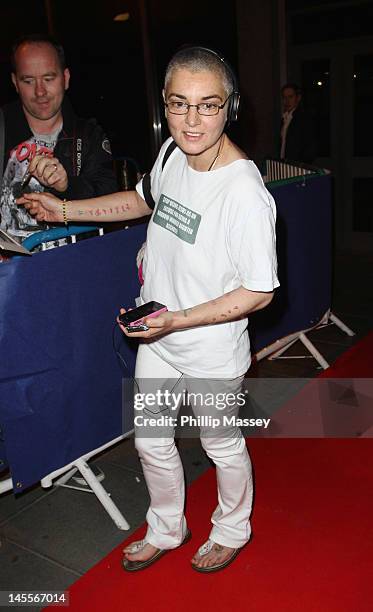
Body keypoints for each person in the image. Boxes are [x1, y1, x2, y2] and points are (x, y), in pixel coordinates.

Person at [18, 46, 279, 573]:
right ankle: (166, 527)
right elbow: (141, 200)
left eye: (208, 105)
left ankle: (232, 528)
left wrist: (178, 319)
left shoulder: (245, 193)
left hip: (205, 344)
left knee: (221, 445)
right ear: (165, 103)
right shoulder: (170, 155)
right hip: (157, 336)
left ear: (230, 107)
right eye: (180, 104)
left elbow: (259, 291)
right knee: (154, 440)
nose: (192, 119)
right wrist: (64, 208)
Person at [0, 33, 117, 244]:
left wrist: (67, 186)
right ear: (15, 83)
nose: (40, 91)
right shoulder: (3, 129)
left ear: (66, 78)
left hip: (72, 264)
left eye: (48, 78)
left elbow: (109, 198)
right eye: (28, 81)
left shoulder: (88, 135)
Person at [279, 83, 316, 163]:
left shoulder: (304, 118)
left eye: (290, 97)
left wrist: (302, 165)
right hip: (285, 163)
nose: (287, 101)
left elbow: (309, 146)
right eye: (284, 97)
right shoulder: (285, 117)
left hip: (297, 166)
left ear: (298, 98)